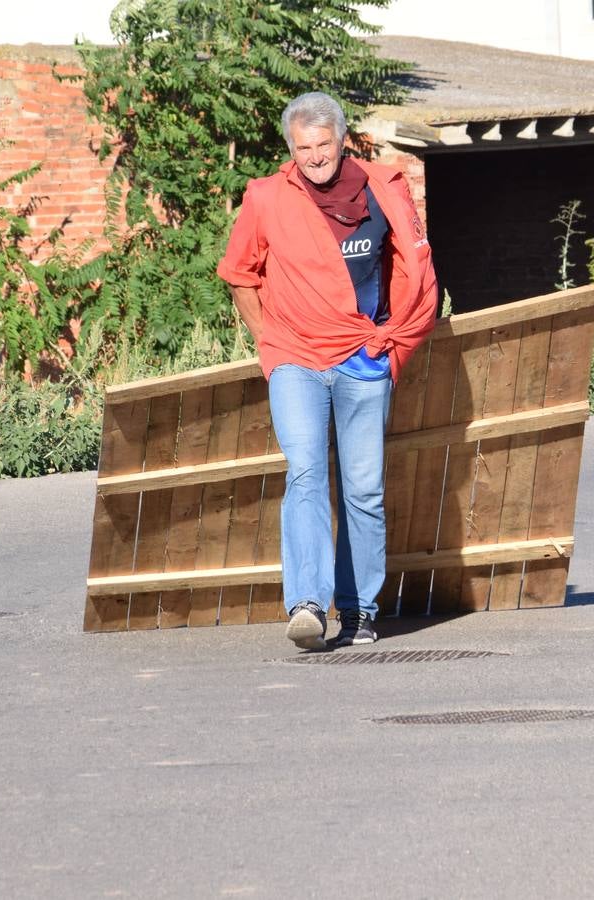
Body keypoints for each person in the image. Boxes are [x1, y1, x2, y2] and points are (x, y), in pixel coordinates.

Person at [216, 90, 438, 650]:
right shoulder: (267, 197)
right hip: (296, 357)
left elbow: (411, 264)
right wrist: (269, 337)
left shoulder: (383, 190)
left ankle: (360, 608)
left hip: (364, 355)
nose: (313, 156)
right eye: (302, 146)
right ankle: (308, 604)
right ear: (291, 148)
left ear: (342, 142)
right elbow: (240, 273)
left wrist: (392, 344)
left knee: (363, 490)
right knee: (307, 474)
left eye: (322, 144)